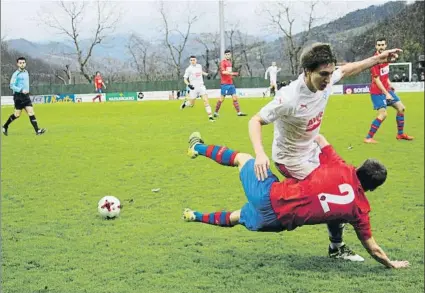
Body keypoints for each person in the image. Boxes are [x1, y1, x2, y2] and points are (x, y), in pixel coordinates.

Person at [248, 42, 403, 261]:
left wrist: (378, 59)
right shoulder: (289, 98)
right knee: (338, 194)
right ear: (307, 71)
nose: (328, 80)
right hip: (290, 159)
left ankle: (335, 246)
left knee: (340, 191)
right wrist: (260, 153)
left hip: (311, 152)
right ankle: (335, 246)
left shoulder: (326, 81)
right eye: (323, 75)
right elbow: (255, 120)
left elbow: (347, 69)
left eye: (330, 74)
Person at [183, 132, 409, 269]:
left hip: (268, 194)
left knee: (244, 158)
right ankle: (195, 216)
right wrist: (391, 263)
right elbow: (373, 248)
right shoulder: (359, 211)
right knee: (236, 217)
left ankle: (196, 148)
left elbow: (319, 138)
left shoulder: (340, 166)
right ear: (374, 188)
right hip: (276, 223)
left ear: (359, 167)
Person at [364, 38, 413, 143]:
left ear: (386, 46)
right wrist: (386, 94)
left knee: (401, 108)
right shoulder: (374, 61)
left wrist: (390, 85)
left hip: (387, 90)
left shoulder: (386, 58)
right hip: (377, 93)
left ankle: (400, 134)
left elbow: (385, 76)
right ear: (376, 46)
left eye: (383, 44)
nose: (381, 46)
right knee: (383, 114)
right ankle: (368, 138)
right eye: (379, 45)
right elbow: (376, 80)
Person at [2, 57, 46, 136]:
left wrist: (27, 91)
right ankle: (5, 126)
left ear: (25, 63)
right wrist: (21, 90)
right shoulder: (16, 74)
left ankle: (37, 131)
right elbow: (11, 86)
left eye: (23, 62)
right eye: (20, 63)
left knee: (31, 112)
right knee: (17, 115)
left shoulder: (26, 72)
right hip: (18, 96)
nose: (22, 64)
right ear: (17, 64)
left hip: (26, 96)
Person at [180, 56, 215, 122]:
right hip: (193, 88)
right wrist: (189, 85)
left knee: (206, 100)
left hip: (201, 86)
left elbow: (201, 72)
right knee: (191, 104)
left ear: (196, 60)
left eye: (194, 60)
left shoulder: (199, 66)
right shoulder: (188, 69)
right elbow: (185, 79)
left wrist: (207, 74)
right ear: (189, 61)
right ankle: (185, 104)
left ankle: (210, 117)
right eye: (191, 60)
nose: (193, 61)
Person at [214, 49, 247, 117]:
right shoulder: (223, 62)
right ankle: (215, 112)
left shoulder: (230, 62)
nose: (227, 55)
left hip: (231, 83)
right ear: (224, 55)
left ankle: (239, 112)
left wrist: (233, 75)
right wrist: (233, 73)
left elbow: (228, 73)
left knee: (235, 98)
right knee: (221, 99)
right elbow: (223, 72)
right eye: (226, 54)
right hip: (225, 84)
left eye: (229, 54)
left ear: (230, 55)